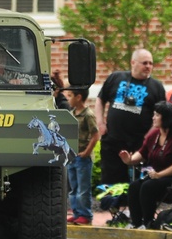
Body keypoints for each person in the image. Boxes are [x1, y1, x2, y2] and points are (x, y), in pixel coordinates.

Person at [95, 49, 166, 186]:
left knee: (138, 182)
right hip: (113, 141)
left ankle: (133, 206)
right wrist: (100, 123)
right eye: (144, 63)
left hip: (139, 144)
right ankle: (114, 206)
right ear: (133, 62)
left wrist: (149, 137)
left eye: (151, 63)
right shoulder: (116, 77)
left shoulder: (156, 87)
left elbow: (160, 115)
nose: (148, 66)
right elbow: (100, 99)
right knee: (111, 183)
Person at [118, 100, 172, 230]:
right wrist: (129, 159)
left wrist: (159, 175)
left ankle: (148, 222)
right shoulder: (154, 134)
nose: (153, 117)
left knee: (147, 186)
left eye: (157, 115)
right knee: (134, 186)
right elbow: (142, 153)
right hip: (154, 176)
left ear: (166, 118)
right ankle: (136, 222)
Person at [65, 86, 98, 225]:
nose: (68, 99)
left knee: (83, 189)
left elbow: (95, 135)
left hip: (82, 157)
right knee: (73, 188)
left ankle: (85, 214)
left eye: (70, 95)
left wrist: (87, 152)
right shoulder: (71, 114)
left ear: (78, 97)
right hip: (72, 156)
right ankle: (77, 212)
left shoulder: (88, 115)